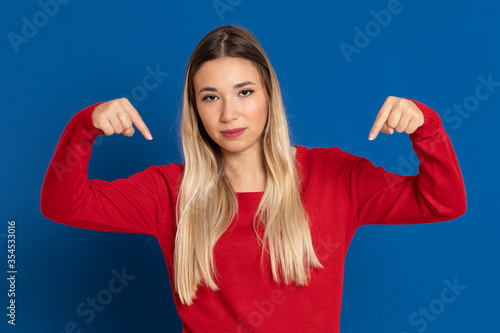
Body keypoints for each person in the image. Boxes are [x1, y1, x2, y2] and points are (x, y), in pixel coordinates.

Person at [40, 25, 467, 332]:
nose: (229, 114)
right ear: (196, 110)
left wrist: (426, 128)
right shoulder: (170, 191)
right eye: (211, 98)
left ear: (268, 96)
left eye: (244, 92)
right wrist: (84, 129)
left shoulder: (335, 177)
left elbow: (442, 203)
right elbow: (62, 205)